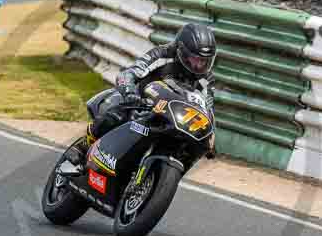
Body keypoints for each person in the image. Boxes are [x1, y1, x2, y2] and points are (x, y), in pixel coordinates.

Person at [68, 23, 217, 171]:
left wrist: (210, 135)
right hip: (140, 104)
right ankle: (84, 145)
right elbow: (127, 74)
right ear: (181, 51)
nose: (199, 66)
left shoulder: (207, 80)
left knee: (191, 147)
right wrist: (129, 92)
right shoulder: (161, 55)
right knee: (116, 111)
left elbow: (208, 108)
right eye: (195, 59)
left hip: (172, 118)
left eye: (204, 61)